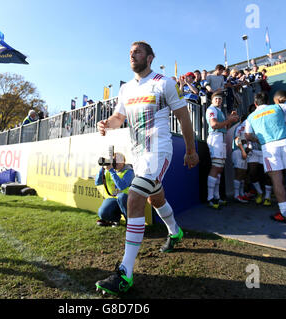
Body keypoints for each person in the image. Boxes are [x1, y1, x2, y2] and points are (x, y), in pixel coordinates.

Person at [94, 41, 199, 295]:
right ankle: (175, 231)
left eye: (138, 51)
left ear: (150, 58)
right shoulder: (126, 89)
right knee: (155, 198)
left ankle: (125, 273)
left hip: (159, 151)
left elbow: (184, 116)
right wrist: (108, 122)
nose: (132, 54)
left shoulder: (165, 82)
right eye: (130, 52)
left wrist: (191, 149)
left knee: (134, 197)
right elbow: (120, 118)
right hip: (139, 155)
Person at [245, 92, 286, 224]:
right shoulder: (278, 107)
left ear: (255, 103)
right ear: (267, 101)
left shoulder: (250, 117)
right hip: (285, 142)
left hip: (268, 147)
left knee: (277, 180)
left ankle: (285, 213)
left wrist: (258, 138)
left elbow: (247, 135)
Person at [205, 92, 239, 209]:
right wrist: (228, 120)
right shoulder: (211, 110)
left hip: (221, 137)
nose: (218, 100)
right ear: (212, 100)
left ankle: (216, 196)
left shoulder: (219, 111)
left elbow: (225, 127)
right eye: (216, 98)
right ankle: (210, 198)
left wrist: (230, 119)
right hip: (216, 137)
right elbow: (214, 125)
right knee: (216, 167)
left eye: (220, 99)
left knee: (219, 168)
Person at [95, 152, 134, 227]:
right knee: (102, 213)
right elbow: (97, 182)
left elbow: (121, 186)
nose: (117, 162)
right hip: (114, 199)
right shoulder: (109, 171)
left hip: (127, 200)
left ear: (124, 161)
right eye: (115, 160)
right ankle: (115, 220)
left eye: (119, 160)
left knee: (121, 196)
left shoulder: (129, 171)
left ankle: (130, 222)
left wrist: (112, 171)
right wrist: (102, 168)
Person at [231, 115, 249, 203]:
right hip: (238, 152)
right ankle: (236, 195)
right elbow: (237, 139)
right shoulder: (240, 127)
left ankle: (242, 193)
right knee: (239, 173)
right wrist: (243, 151)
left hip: (243, 152)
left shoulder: (246, 128)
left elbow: (244, 140)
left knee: (243, 174)